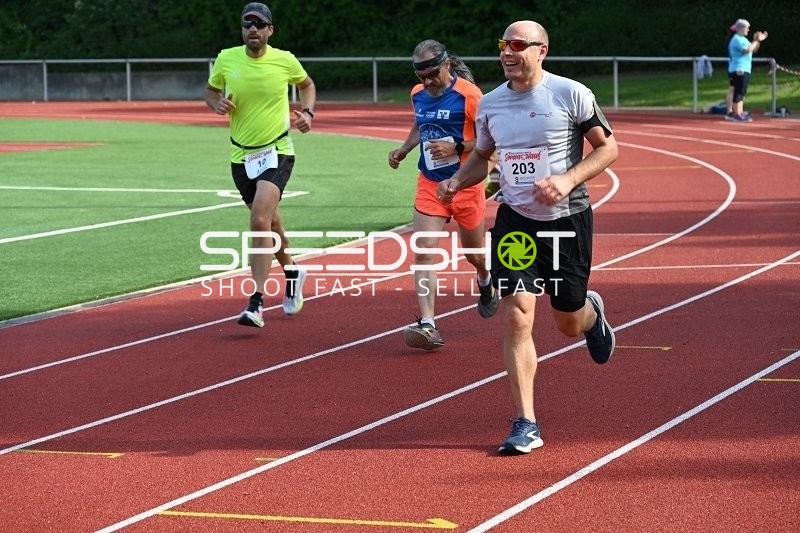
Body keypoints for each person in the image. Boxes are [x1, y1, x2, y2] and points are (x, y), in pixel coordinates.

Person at [438, 20, 618, 455]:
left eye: (518, 45)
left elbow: (608, 148)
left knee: (567, 322)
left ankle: (590, 312)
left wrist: (567, 179)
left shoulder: (570, 94)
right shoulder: (491, 104)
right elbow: (483, 158)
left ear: (542, 51)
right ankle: (526, 422)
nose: (508, 52)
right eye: (504, 44)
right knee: (518, 315)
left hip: (567, 220)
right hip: (516, 222)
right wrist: (458, 180)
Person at [205, 2, 314, 327]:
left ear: (270, 30)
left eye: (259, 24)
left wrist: (308, 113)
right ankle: (292, 272)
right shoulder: (226, 58)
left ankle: (256, 302)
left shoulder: (284, 60)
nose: (253, 28)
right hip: (241, 156)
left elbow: (307, 85)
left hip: (277, 150)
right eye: (247, 23)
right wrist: (216, 103)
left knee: (258, 220)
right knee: (272, 223)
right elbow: (210, 91)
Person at [388, 39, 498, 351]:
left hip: (466, 184)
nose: (427, 82)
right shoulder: (417, 94)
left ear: (446, 65)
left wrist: (456, 147)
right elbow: (420, 124)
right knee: (423, 252)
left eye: (432, 74)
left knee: (473, 254)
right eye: (421, 76)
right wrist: (404, 149)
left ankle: (485, 277)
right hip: (430, 184)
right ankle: (428, 324)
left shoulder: (470, 95)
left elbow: (492, 141)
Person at [726, 18, 768, 122]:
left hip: (744, 68)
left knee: (742, 91)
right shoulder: (737, 39)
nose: (748, 30)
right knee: (738, 91)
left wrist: (757, 40)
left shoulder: (743, 39)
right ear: (740, 28)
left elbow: (753, 49)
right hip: (739, 68)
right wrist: (756, 40)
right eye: (747, 28)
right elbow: (747, 50)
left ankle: (739, 112)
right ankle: (736, 113)